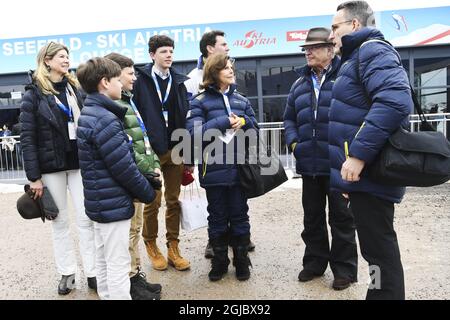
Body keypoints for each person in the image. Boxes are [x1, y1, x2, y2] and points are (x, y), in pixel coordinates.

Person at [328, 1, 412, 299]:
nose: (331, 35)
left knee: (379, 253)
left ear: (354, 25)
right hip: (365, 179)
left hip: (372, 171)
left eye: (335, 27)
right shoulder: (356, 57)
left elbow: (395, 101)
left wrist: (358, 156)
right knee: (375, 251)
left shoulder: (372, 50)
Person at [283, 27, 358, 290]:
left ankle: (344, 270)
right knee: (312, 217)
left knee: (341, 218)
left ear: (330, 49)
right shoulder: (299, 83)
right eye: (306, 49)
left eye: (313, 48)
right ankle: (315, 264)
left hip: (339, 163)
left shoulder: (347, 75)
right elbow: (289, 119)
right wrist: (295, 144)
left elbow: (357, 114)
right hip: (310, 162)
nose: (308, 52)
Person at [76, 57, 157, 300]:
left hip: (99, 202)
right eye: (116, 79)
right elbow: (123, 168)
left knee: (103, 260)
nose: (121, 84)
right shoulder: (106, 119)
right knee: (118, 263)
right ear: (104, 82)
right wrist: (148, 192)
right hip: (113, 204)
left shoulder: (91, 112)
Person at [19, 42, 96, 295]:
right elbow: (28, 138)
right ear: (47, 61)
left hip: (79, 163)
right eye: (62, 56)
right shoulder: (33, 93)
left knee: (87, 219)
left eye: (68, 56)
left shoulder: (76, 88)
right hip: (50, 168)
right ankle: (67, 272)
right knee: (59, 221)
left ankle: (93, 272)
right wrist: (34, 178)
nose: (67, 60)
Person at [186, 53, 258, 281]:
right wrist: (223, 121)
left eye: (231, 68)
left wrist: (244, 122)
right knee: (216, 218)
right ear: (213, 72)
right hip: (214, 171)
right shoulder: (198, 102)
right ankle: (219, 262)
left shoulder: (242, 101)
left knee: (240, 216)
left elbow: (255, 131)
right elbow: (193, 135)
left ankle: (241, 261)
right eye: (225, 68)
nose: (230, 71)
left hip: (240, 171)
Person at [104, 53, 163, 300]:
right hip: (133, 178)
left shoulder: (128, 101)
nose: (135, 78)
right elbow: (126, 147)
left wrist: (155, 163)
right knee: (129, 230)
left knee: (136, 228)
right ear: (116, 75)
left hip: (143, 173)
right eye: (130, 73)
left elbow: (143, 139)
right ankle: (129, 279)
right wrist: (146, 171)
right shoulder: (116, 106)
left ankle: (135, 272)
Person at [132, 35, 191, 271]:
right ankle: (151, 245)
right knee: (152, 202)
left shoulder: (179, 81)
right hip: (152, 151)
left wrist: (187, 153)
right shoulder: (140, 81)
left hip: (175, 149)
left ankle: (173, 247)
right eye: (164, 51)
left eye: (171, 51)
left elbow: (185, 117)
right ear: (152, 55)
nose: (169, 55)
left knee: (174, 201)